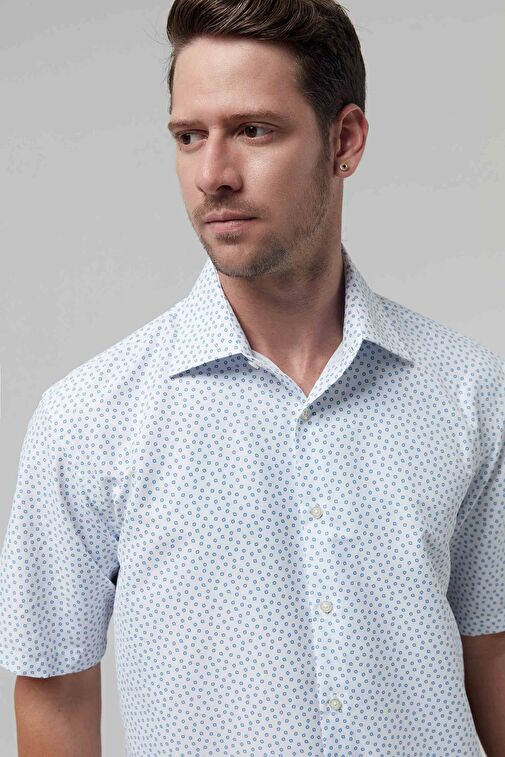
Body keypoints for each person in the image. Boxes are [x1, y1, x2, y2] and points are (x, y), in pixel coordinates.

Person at [1, 1, 504, 755]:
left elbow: (492, 654)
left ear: (344, 140)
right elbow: (55, 692)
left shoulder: (467, 392)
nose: (213, 176)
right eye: (189, 137)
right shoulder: (89, 417)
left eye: (253, 130)